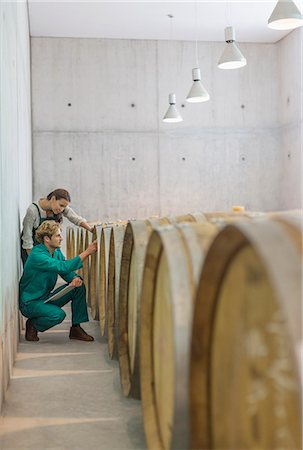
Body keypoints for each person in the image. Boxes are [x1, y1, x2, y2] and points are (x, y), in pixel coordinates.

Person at [19, 220, 97, 342]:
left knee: (78, 286)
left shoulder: (56, 252)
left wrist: (74, 278)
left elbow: (65, 271)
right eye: (58, 235)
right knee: (58, 315)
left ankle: (76, 328)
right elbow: (62, 266)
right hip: (30, 302)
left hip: (45, 298)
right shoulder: (37, 255)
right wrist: (87, 252)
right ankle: (33, 324)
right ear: (47, 239)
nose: (61, 239)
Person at [21, 188, 93, 265]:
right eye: (61, 205)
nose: (61, 209)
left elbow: (75, 218)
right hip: (32, 250)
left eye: (64, 207)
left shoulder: (59, 207)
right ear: (53, 198)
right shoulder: (33, 210)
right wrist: (33, 259)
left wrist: (90, 229)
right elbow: (27, 238)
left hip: (48, 248)